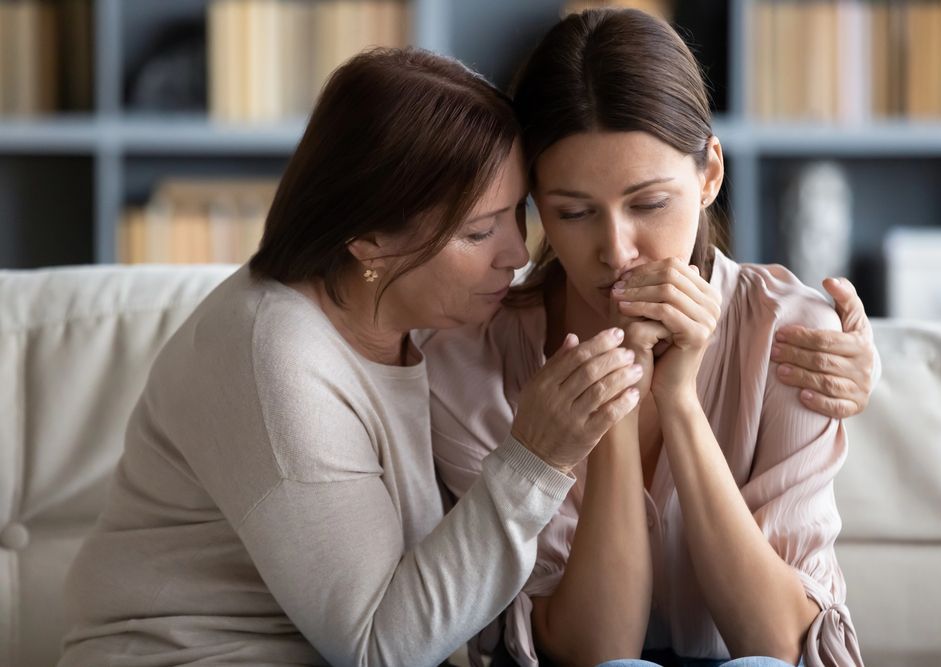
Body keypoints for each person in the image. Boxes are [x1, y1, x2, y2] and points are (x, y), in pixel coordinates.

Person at [58, 49, 644, 667]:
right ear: (368, 241)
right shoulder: (276, 356)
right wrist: (532, 462)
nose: (517, 255)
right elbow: (377, 650)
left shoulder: (420, 319)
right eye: (478, 232)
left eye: (516, 214)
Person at [421, 9, 873, 667]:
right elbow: (595, 651)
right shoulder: (473, 361)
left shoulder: (794, 333)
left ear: (708, 174)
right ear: (536, 206)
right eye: (573, 213)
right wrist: (619, 400)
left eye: (649, 203)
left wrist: (682, 402)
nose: (616, 249)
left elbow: (778, 645)